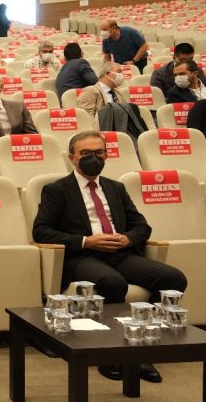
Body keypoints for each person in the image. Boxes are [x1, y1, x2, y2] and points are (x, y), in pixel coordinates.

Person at [32, 131, 187, 383]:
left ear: (107, 155)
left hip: (120, 253)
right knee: (112, 282)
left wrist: (127, 238)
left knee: (173, 278)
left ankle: (144, 347)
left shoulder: (116, 187)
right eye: (85, 153)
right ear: (72, 158)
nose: (93, 158)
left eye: (99, 152)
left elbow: (141, 226)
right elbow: (41, 231)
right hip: (82, 256)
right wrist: (86, 240)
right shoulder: (56, 190)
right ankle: (110, 353)